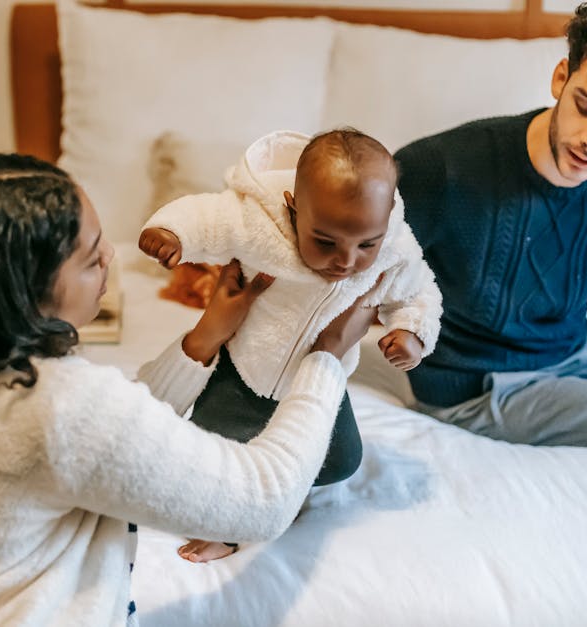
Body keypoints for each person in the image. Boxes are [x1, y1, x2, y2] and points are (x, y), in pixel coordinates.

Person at [0, 153, 380, 626]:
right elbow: (261, 501)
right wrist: (326, 360)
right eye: (91, 258)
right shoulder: (58, 405)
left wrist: (205, 338)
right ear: (24, 294)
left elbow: (102, 445)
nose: (112, 255)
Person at [394, 1, 587, 449]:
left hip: (576, 349)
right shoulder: (441, 168)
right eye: (586, 107)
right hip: (482, 386)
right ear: (560, 78)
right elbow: (342, 271)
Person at [139, 128, 442, 562]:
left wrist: (411, 333)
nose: (346, 260)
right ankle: (227, 525)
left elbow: (420, 292)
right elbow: (209, 217)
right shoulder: (261, 222)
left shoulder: (396, 248)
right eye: (325, 241)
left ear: (388, 217)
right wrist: (172, 233)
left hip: (319, 385)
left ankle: (286, 489)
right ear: (292, 207)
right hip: (245, 369)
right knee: (211, 456)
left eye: (366, 244)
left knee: (342, 459)